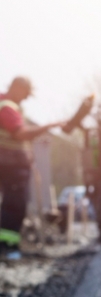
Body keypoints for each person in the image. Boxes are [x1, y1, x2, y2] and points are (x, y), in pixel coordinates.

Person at [0, 77, 62, 258]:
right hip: (10, 165)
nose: (26, 98)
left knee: (11, 203)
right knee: (14, 204)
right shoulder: (8, 107)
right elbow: (21, 135)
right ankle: (8, 247)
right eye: (26, 93)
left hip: (11, 163)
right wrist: (48, 126)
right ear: (17, 88)